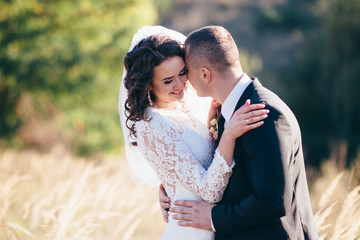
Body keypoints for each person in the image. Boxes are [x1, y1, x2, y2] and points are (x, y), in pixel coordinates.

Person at [160, 26, 319, 239]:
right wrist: (175, 190)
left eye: (186, 71)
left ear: (205, 74)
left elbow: (272, 199)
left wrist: (214, 217)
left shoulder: (262, 113)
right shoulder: (229, 112)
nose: (185, 80)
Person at [119, 26, 269, 240]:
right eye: (168, 80)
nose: (180, 85)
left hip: (218, 228)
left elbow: (196, 161)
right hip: (191, 233)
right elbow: (208, 191)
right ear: (148, 85)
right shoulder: (150, 125)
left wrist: (212, 121)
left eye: (182, 73)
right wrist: (229, 135)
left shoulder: (186, 108)